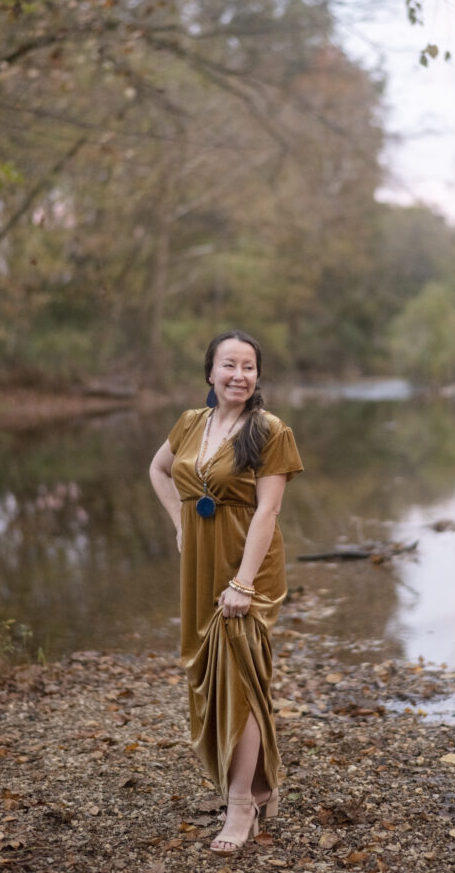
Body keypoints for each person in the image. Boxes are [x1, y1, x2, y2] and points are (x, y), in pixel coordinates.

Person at [149, 330, 303, 853]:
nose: (240, 375)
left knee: (241, 679)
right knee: (213, 677)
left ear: (258, 375)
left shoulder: (270, 430)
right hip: (200, 563)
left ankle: (241, 805)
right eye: (229, 365)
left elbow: (268, 510)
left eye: (249, 366)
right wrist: (180, 523)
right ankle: (261, 788)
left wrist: (243, 582)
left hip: (248, 566)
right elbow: (159, 470)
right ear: (210, 372)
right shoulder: (191, 423)